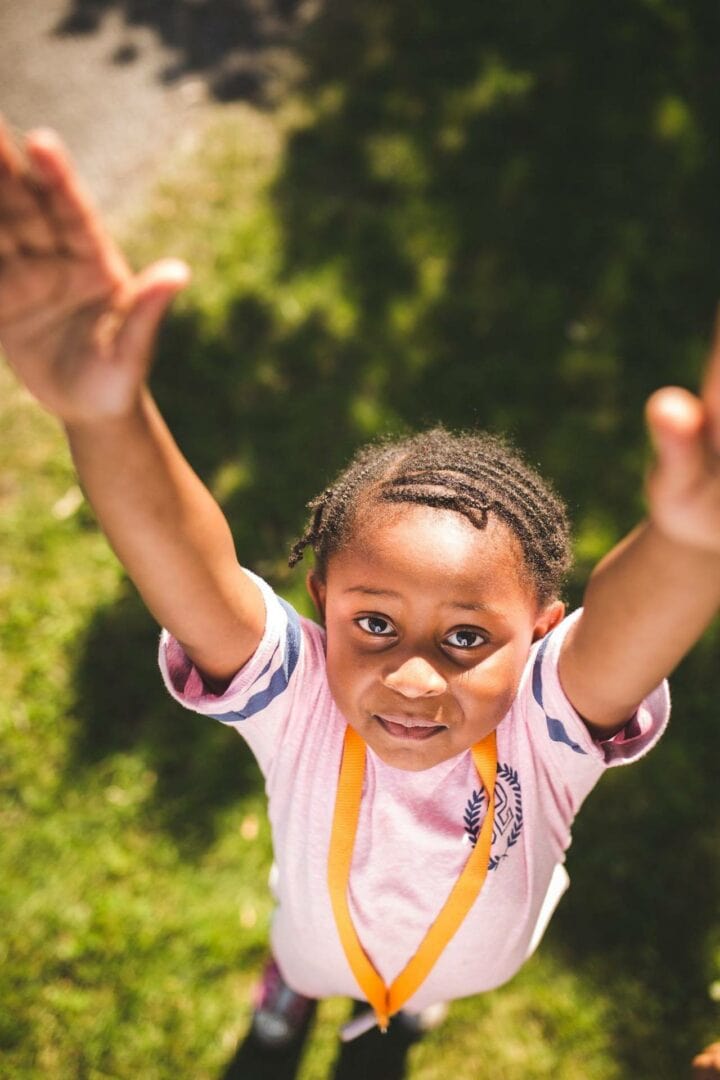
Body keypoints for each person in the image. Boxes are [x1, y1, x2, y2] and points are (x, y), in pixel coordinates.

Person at [1, 116, 720, 1054]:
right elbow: (190, 567)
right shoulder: (299, 700)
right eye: (374, 622)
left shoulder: (547, 732)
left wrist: (691, 542)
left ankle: (403, 1017)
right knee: (303, 962)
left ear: (542, 635)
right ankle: (287, 999)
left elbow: (627, 632)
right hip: (314, 943)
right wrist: (105, 417)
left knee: (402, 1018)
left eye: (467, 637)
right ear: (318, 609)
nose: (414, 679)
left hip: (452, 970)